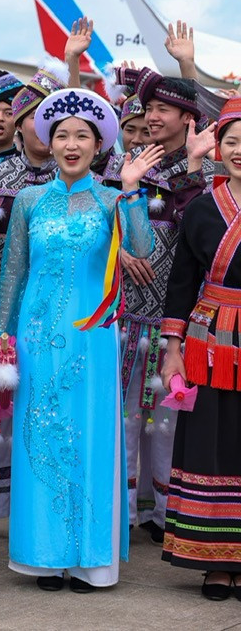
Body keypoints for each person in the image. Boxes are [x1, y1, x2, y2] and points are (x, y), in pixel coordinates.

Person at [0, 87, 160, 591]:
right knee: (38, 435)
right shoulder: (28, 200)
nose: (71, 144)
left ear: (98, 145)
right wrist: (2, 337)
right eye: (62, 136)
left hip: (93, 339)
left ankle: (90, 560)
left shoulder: (112, 199)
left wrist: (132, 188)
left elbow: (143, 248)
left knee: (90, 436)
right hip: (36, 338)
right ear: (49, 143)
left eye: (82, 136)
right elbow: (13, 271)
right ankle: (44, 556)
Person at [106, 64, 214, 543]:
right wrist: (120, 250)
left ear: (187, 117)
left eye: (163, 109)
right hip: (126, 311)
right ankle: (124, 512)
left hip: (177, 315)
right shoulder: (123, 165)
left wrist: (192, 166)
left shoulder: (207, 169)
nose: (151, 116)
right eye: (148, 108)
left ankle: (168, 514)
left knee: (167, 421)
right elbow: (98, 225)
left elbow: (201, 233)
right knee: (126, 415)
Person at [0, 63, 66, 523]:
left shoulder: (75, 181)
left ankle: (38, 508)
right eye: (33, 117)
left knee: (46, 406)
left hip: (53, 312)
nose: (42, 126)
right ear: (20, 126)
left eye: (50, 117)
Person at [159, 94, 241, 600]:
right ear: (218, 147)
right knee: (210, 440)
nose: (240, 151)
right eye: (232, 141)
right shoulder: (201, 208)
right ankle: (213, 558)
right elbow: (181, 283)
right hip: (209, 342)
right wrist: (172, 348)